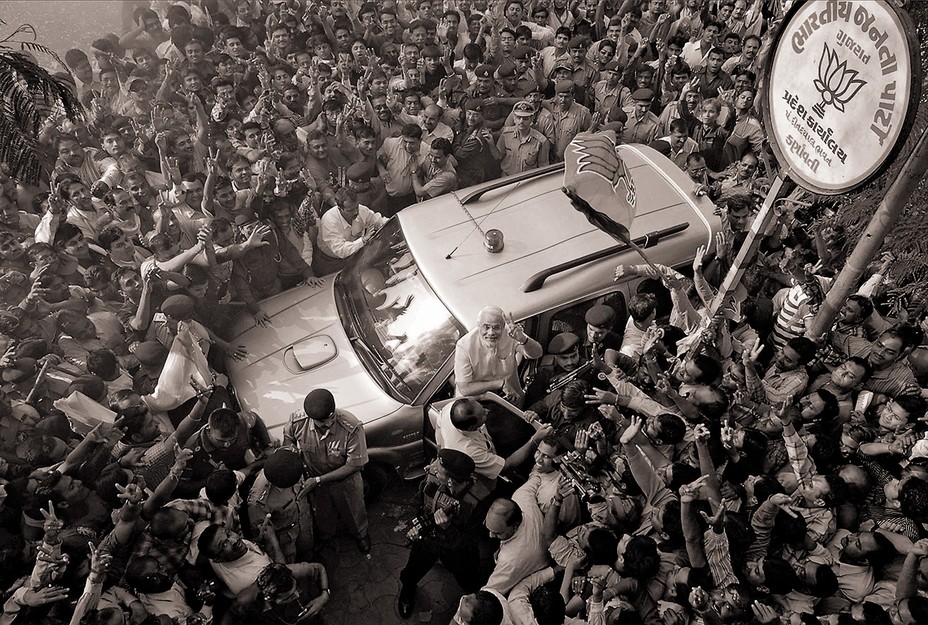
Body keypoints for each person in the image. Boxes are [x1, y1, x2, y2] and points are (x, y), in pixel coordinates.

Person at [397, 448, 490, 617]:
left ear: (450, 481)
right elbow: (419, 501)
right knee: (412, 570)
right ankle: (408, 591)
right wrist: (417, 525)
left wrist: (449, 529)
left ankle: (478, 601)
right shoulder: (432, 477)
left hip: (456, 549)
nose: (432, 467)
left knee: (468, 578)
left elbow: (470, 541)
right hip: (429, 539)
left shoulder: (478, 500)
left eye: (438, 470)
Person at [283, 388, 371, 557]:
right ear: (311, 418)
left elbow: (354, 465)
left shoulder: (351, 428)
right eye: (322, 422)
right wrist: (292, 452)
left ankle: (361, 535)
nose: (328, 424)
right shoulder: (298, 422)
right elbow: (288, 439)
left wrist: (318, 480)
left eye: (331, 418)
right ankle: (327, 538)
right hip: (315, 482)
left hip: (346, 482)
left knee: (354, 511)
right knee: (323, 514)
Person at [454, 305, 543, 406]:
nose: (491, 333)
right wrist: (501, 384)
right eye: (486, 327)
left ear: (503, 326)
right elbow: (465, 388)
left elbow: (537, 353)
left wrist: (522, 339)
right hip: (477, 404)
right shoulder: (464, 345)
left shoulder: (511, 333)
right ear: (478, 326)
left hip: (512, 399)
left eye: (496, 327)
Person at [315, 186, 388, 275]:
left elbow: (379, 221)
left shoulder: (361, 210)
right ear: (340, 209)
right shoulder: (329, 221)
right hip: (330, 262)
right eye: (350, 210)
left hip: (355, 255)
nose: (356, 212)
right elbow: (341, 250)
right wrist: (363, 240)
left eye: (356, 207)